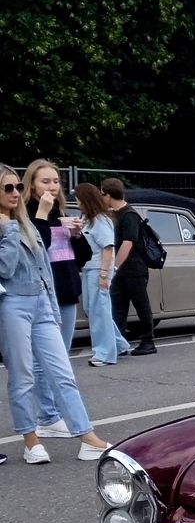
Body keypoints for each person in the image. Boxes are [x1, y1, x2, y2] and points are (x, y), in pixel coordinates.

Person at [0, 163, 111, 463]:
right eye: (8, 188)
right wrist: (10, 226)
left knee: (63, 373)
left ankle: (86, 435)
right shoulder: (11, 223)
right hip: (13, 304)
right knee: (22, 376)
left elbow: (42, 264)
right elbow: (6, 268)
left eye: (17, 187)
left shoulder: (25, 219)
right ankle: (30, 439)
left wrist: (50, 305)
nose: (15, 193)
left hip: (43, 301)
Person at [23, 160, 83, 438]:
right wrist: (44, 216)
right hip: (42, 293)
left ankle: (55, 414)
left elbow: (81, 257)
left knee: (62, 358)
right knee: (41, 360)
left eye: (55, 181)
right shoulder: (26, 212)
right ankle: (47, 416)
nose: (51, 186)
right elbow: (35, 248)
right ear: (31, 184)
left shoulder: (61, 210)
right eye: (44, 181)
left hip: (67, 289)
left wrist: (78, 235)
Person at [74, 183, 130, 366]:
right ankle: (118, 344)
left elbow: (108, 248)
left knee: (99, 310)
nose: (76, 201)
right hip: (90, 269)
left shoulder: (100, 219)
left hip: (98, 269)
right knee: (94, 309)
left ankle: (104, 353)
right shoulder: (88, 218)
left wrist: (104, 275)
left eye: (78, 198)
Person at [101, 178, 156, 356]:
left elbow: (127, 244)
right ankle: (119, 343)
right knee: (117, 306)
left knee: (141, 305)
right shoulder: (114, 214)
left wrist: (113, 267)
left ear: (108, 195)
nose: (101, 198)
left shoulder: (129, 215)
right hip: (122, 271)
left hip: (134, 269)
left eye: (102, 194)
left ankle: (148, 341)